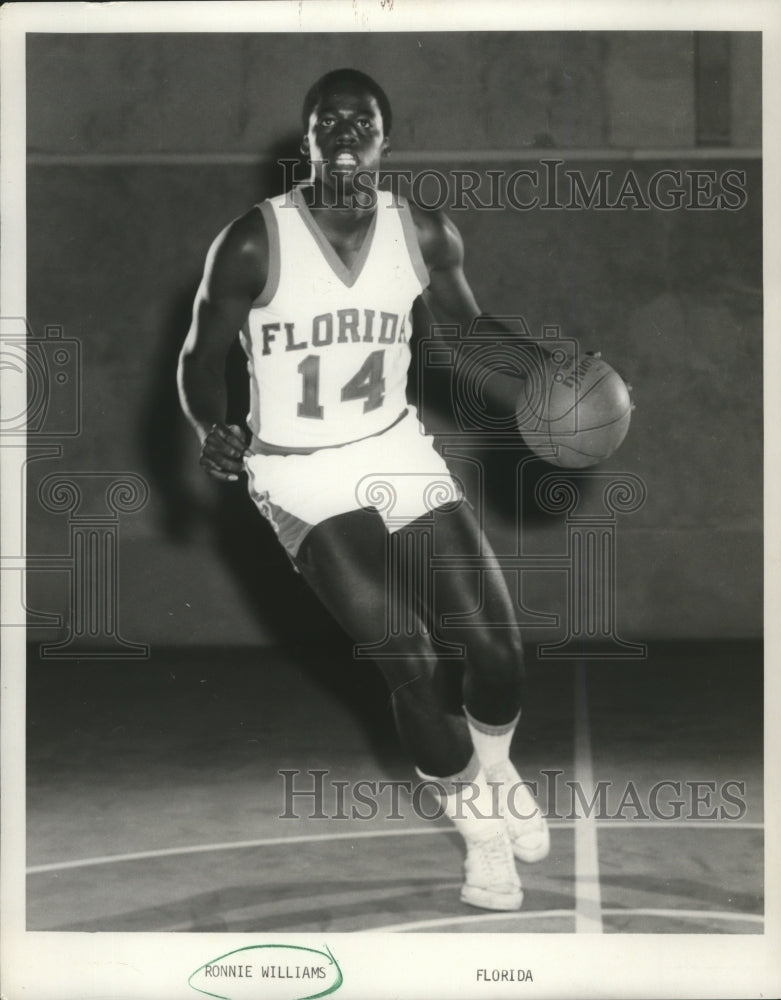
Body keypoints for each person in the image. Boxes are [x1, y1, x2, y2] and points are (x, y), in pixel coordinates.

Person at [178, 68, 549, 911]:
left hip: (393, 451)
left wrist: (546, 376)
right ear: (305, 138)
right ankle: (482, 840)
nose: (344, 133)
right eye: (327, 121)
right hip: (297, 473)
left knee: (496, 650)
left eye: (363, 121)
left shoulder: (422, 232)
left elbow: (466, 332)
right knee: (411, 661)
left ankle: (495, 773)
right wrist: (215, 428)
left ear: (386, 138)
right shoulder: (253, 241)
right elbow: (200, 361)